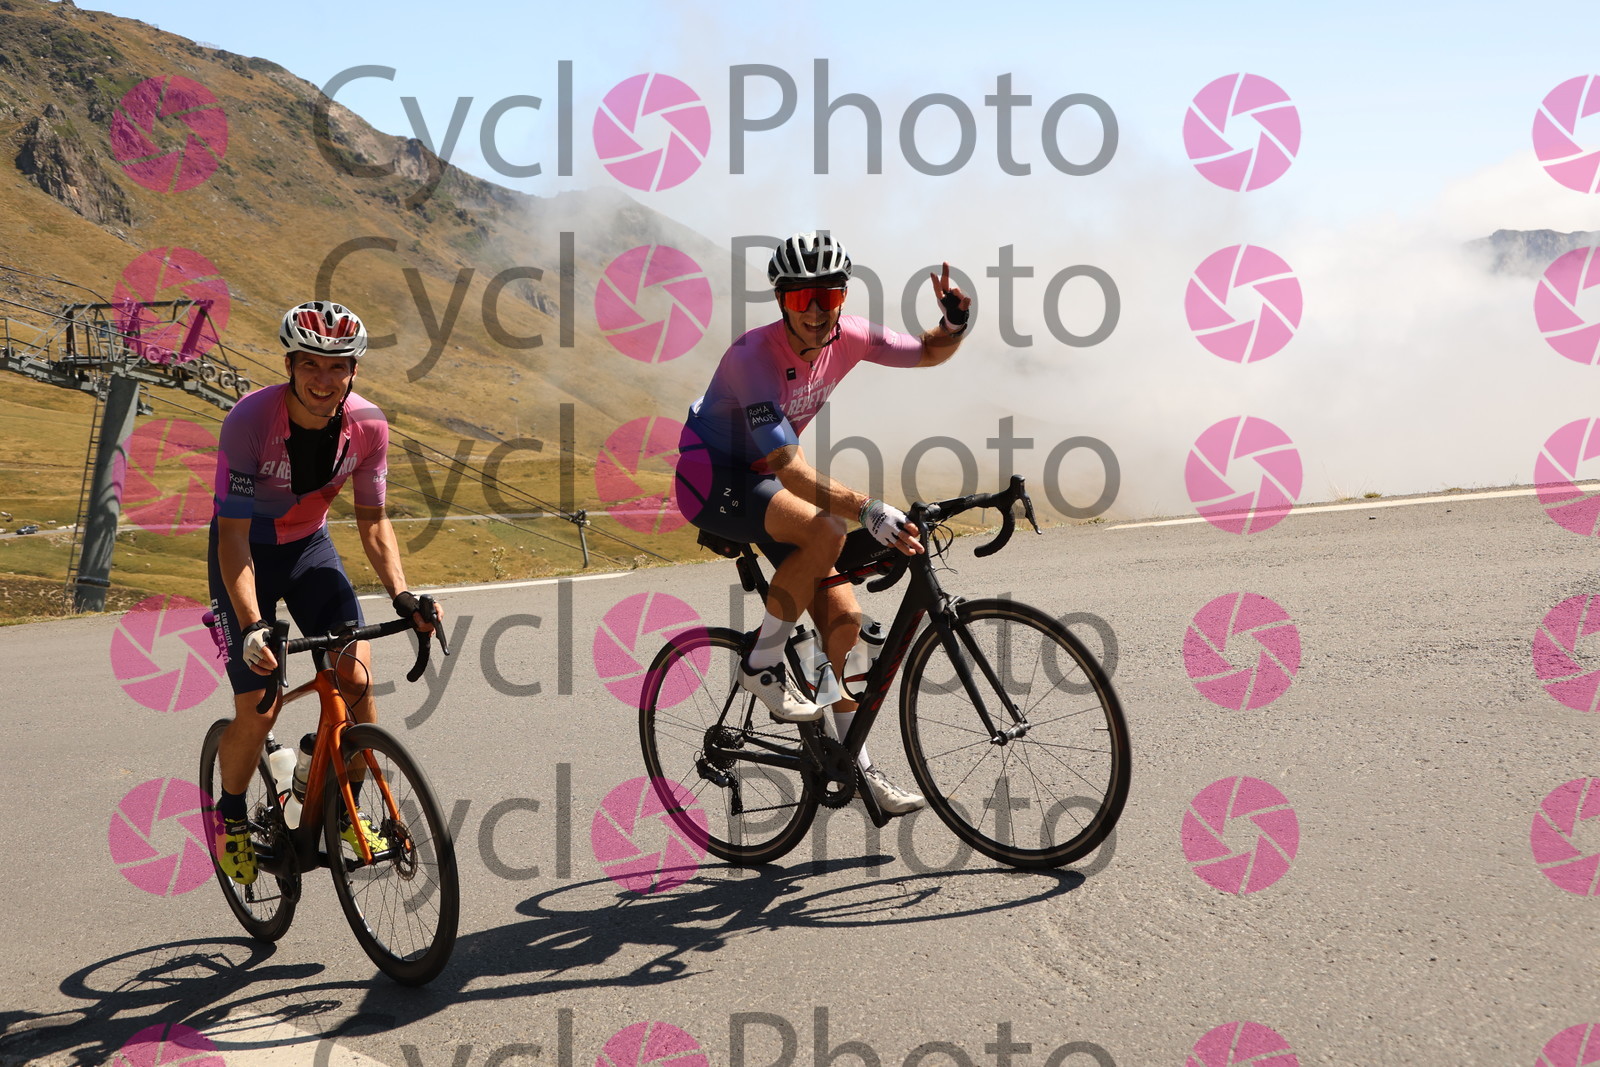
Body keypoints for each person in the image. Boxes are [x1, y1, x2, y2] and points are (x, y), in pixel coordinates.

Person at [676, 231, 972, 815]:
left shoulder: (851, 336)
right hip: (710, 479)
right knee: (828, 529)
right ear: (781, 301)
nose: (815, 312)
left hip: (761, 483)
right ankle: (761, 666)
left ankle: (856, 767)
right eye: (800, 298)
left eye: (829, 296)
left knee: (845, 629)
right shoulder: (752, 357)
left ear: (843, 298)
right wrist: (867, 507)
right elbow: (791, 469)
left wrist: (954, 323)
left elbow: (927, 351)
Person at [208, 300, 438, 885]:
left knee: (355, 680)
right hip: (247, 556)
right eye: (309, 363)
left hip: (310, 548)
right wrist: (253, 623)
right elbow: (232, 538)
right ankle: (229, 816)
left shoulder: (369, 426)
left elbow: (373, 522)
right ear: (289, 364)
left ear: (353, 370)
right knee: (259, 707)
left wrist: (402, 595)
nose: (323, 378)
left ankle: (343, 810)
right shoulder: (249, 420)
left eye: (337, 366)